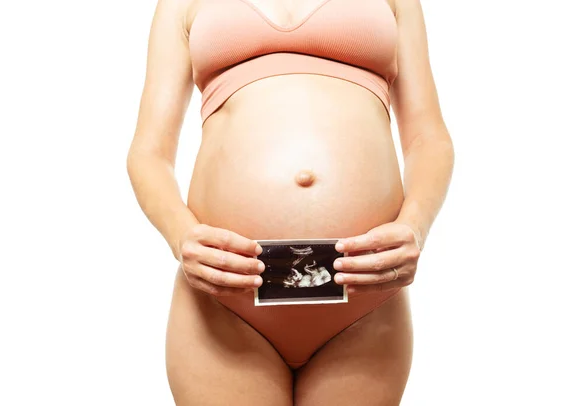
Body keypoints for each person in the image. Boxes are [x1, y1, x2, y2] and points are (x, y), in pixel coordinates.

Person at [126, 0, 454, 404]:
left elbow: (428, 137)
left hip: (364, 294)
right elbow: (149, 152)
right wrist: (182, 236)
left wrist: (415, 227)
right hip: (226, 298)